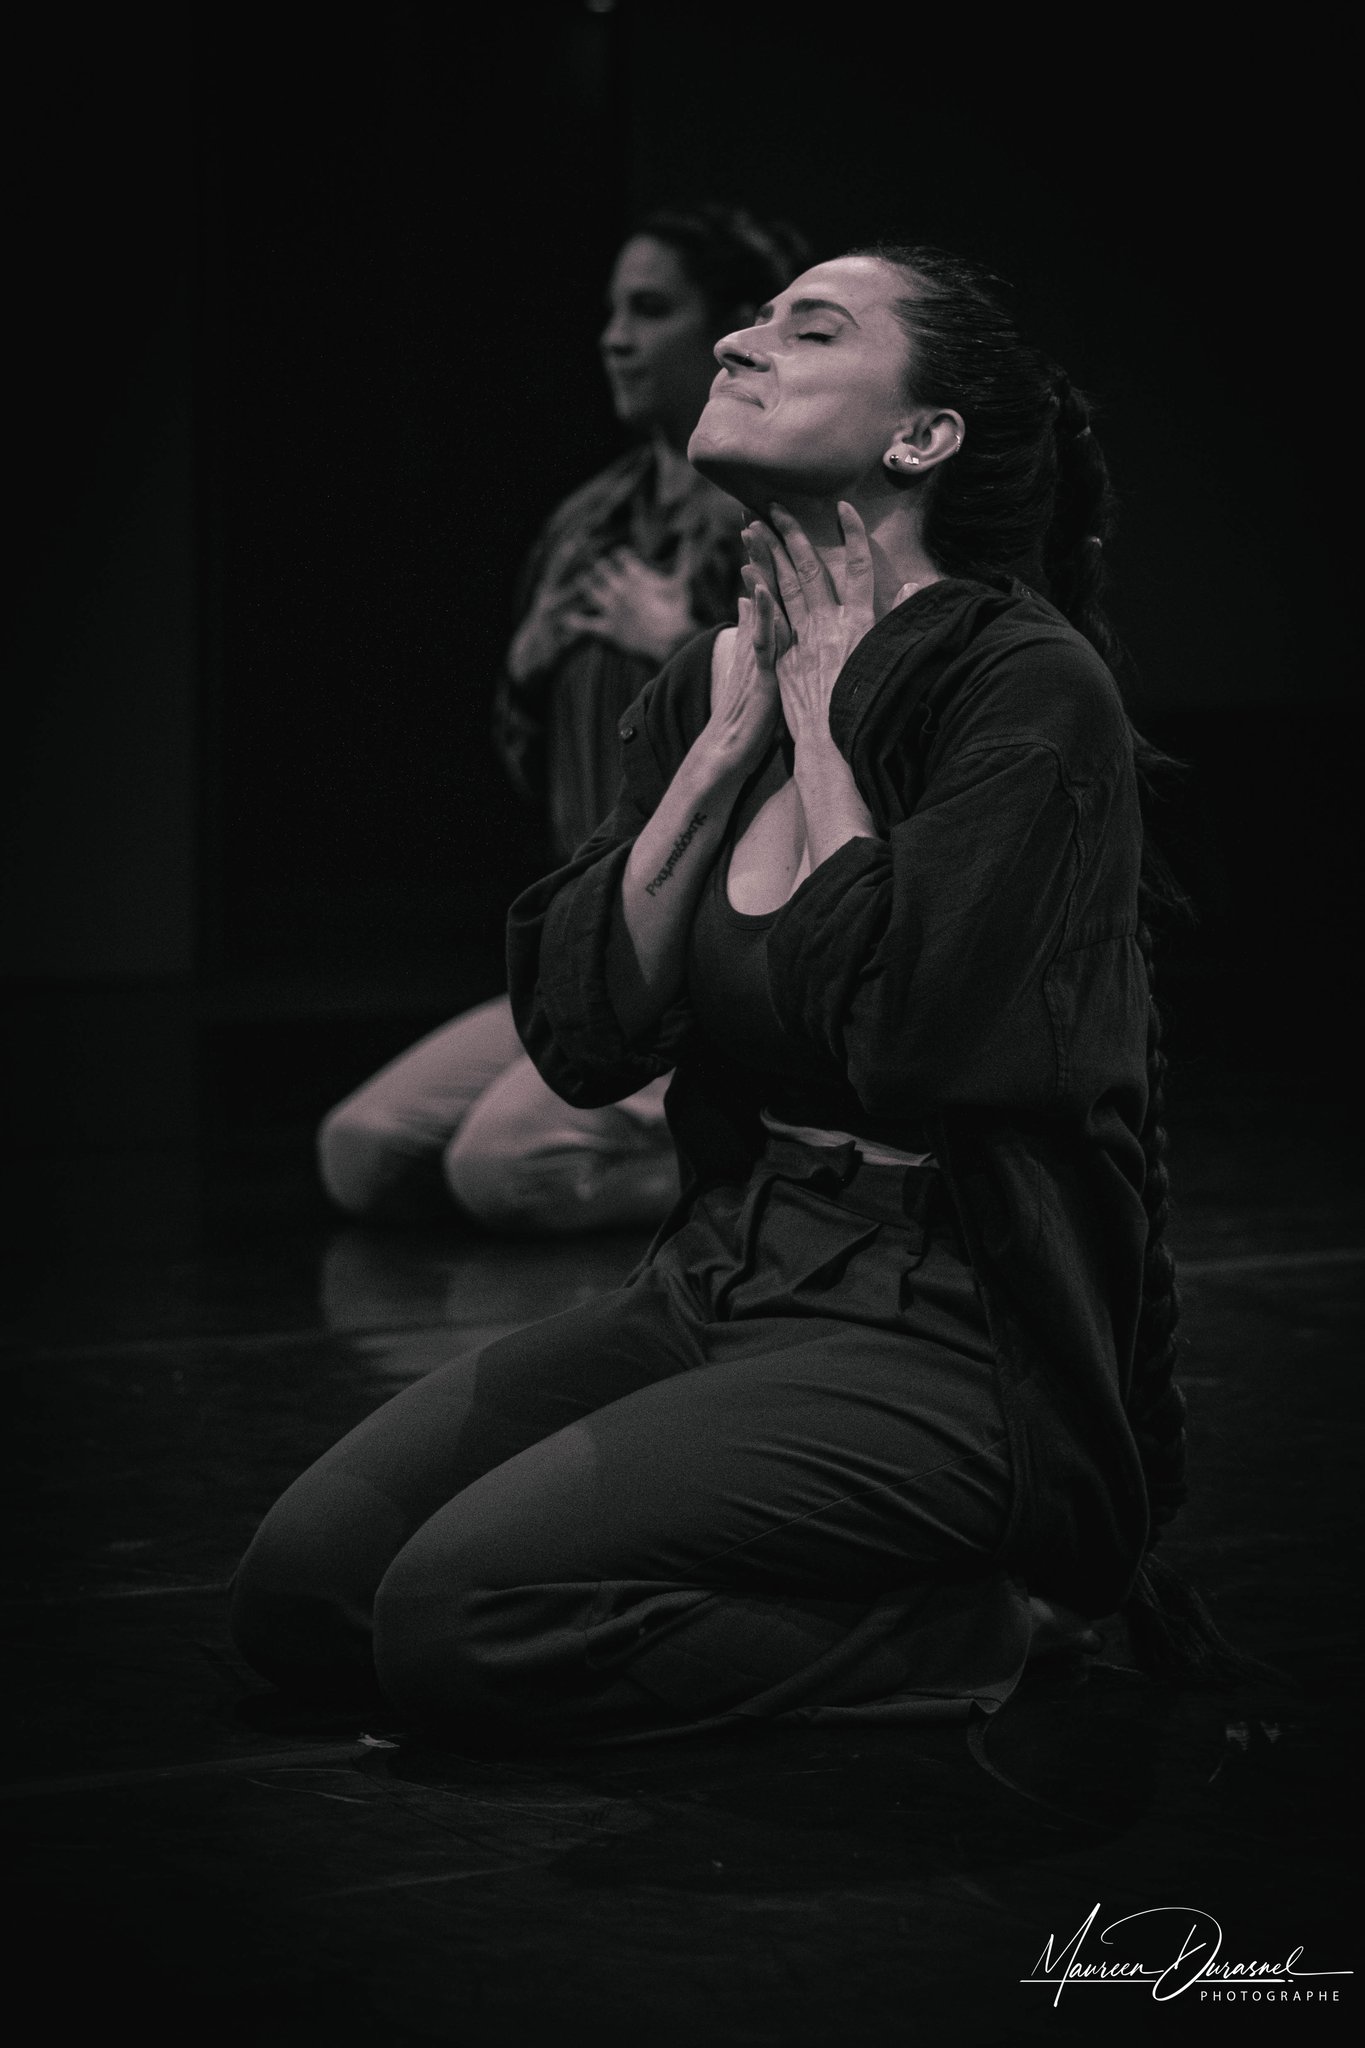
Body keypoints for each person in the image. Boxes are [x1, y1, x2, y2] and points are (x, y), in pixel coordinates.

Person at [234, 242, 1226, 1745]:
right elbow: (583, 1034)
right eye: (753, 320)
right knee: (305, 1596)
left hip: (946, 1327)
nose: (740, 344)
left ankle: (972, 1626)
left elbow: (908, 1040)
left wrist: (824, 736)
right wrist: (721, 745)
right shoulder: (710, 684)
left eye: (807, 328)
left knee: (456, 1619)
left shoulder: (1024, 688)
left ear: (922, 436)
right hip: (724, 1274)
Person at [317, 205, 808, 1236]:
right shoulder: (587, 522)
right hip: (597, 939)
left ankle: (778, 1167)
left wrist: (685, 644)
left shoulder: (777, 516)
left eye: (650, 310)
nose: (616, 339)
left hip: (710, 955)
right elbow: (527, 762)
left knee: (504, 1169)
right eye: (612, 312)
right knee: (360, 1150)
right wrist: (528, 670)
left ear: (730, 326)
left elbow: (825, 746)